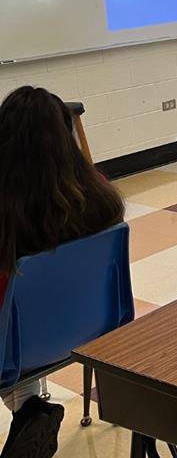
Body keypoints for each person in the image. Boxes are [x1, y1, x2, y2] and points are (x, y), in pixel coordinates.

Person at [0, 86, 124, 458]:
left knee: (15, 320)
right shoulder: (99, 194)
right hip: (89, 331)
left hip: (13, 349)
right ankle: (28, 405)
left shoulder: (6, 212)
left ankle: (28, 405)